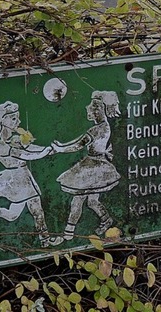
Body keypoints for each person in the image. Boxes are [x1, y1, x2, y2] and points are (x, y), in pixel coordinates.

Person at [0, 101, 56, 247]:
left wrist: (48, 148)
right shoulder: (1, 146)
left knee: (24, 212)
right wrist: (44, 153)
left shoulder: (17, 139)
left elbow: (30, 147)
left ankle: (45, 239)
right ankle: (45, 239)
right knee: (27, 211)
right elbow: (24, 155)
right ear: (2, 120)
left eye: (17, 118)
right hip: (16, 180)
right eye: (13, 118)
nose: (17, 121)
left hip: (25, 176)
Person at [50, 91, 121, 243]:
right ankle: (106, 219)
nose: (89, 108)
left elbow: (78, 145)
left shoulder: (98, 129)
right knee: (92, 201)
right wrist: (61, 146)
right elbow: (79, 141)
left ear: (103, 109)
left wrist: (60, 149)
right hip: (94, 165)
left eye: (95, 106)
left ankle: (68, 234)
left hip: (92, 168)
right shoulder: (103, 126)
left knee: (77, 201)